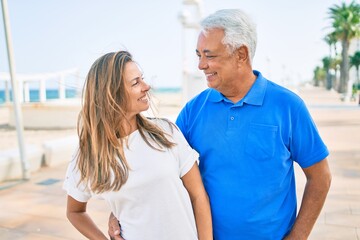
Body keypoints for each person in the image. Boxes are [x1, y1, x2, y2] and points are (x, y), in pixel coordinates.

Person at [109, 9, 332, 239]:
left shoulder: (288, 106)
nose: (201, 65)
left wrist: (297, 237)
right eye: (198, 55)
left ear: (241, 55)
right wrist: (119, 210)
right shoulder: (192, 111)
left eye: (210, 55)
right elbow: (161, 172)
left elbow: (320, 177)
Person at [63, 50, 212, 240]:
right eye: (136, 82)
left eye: (142, 79)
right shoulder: (88, 155)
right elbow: (74, 212)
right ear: (112, 95)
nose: (146, 86)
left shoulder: (166, 132)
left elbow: (198, 196)